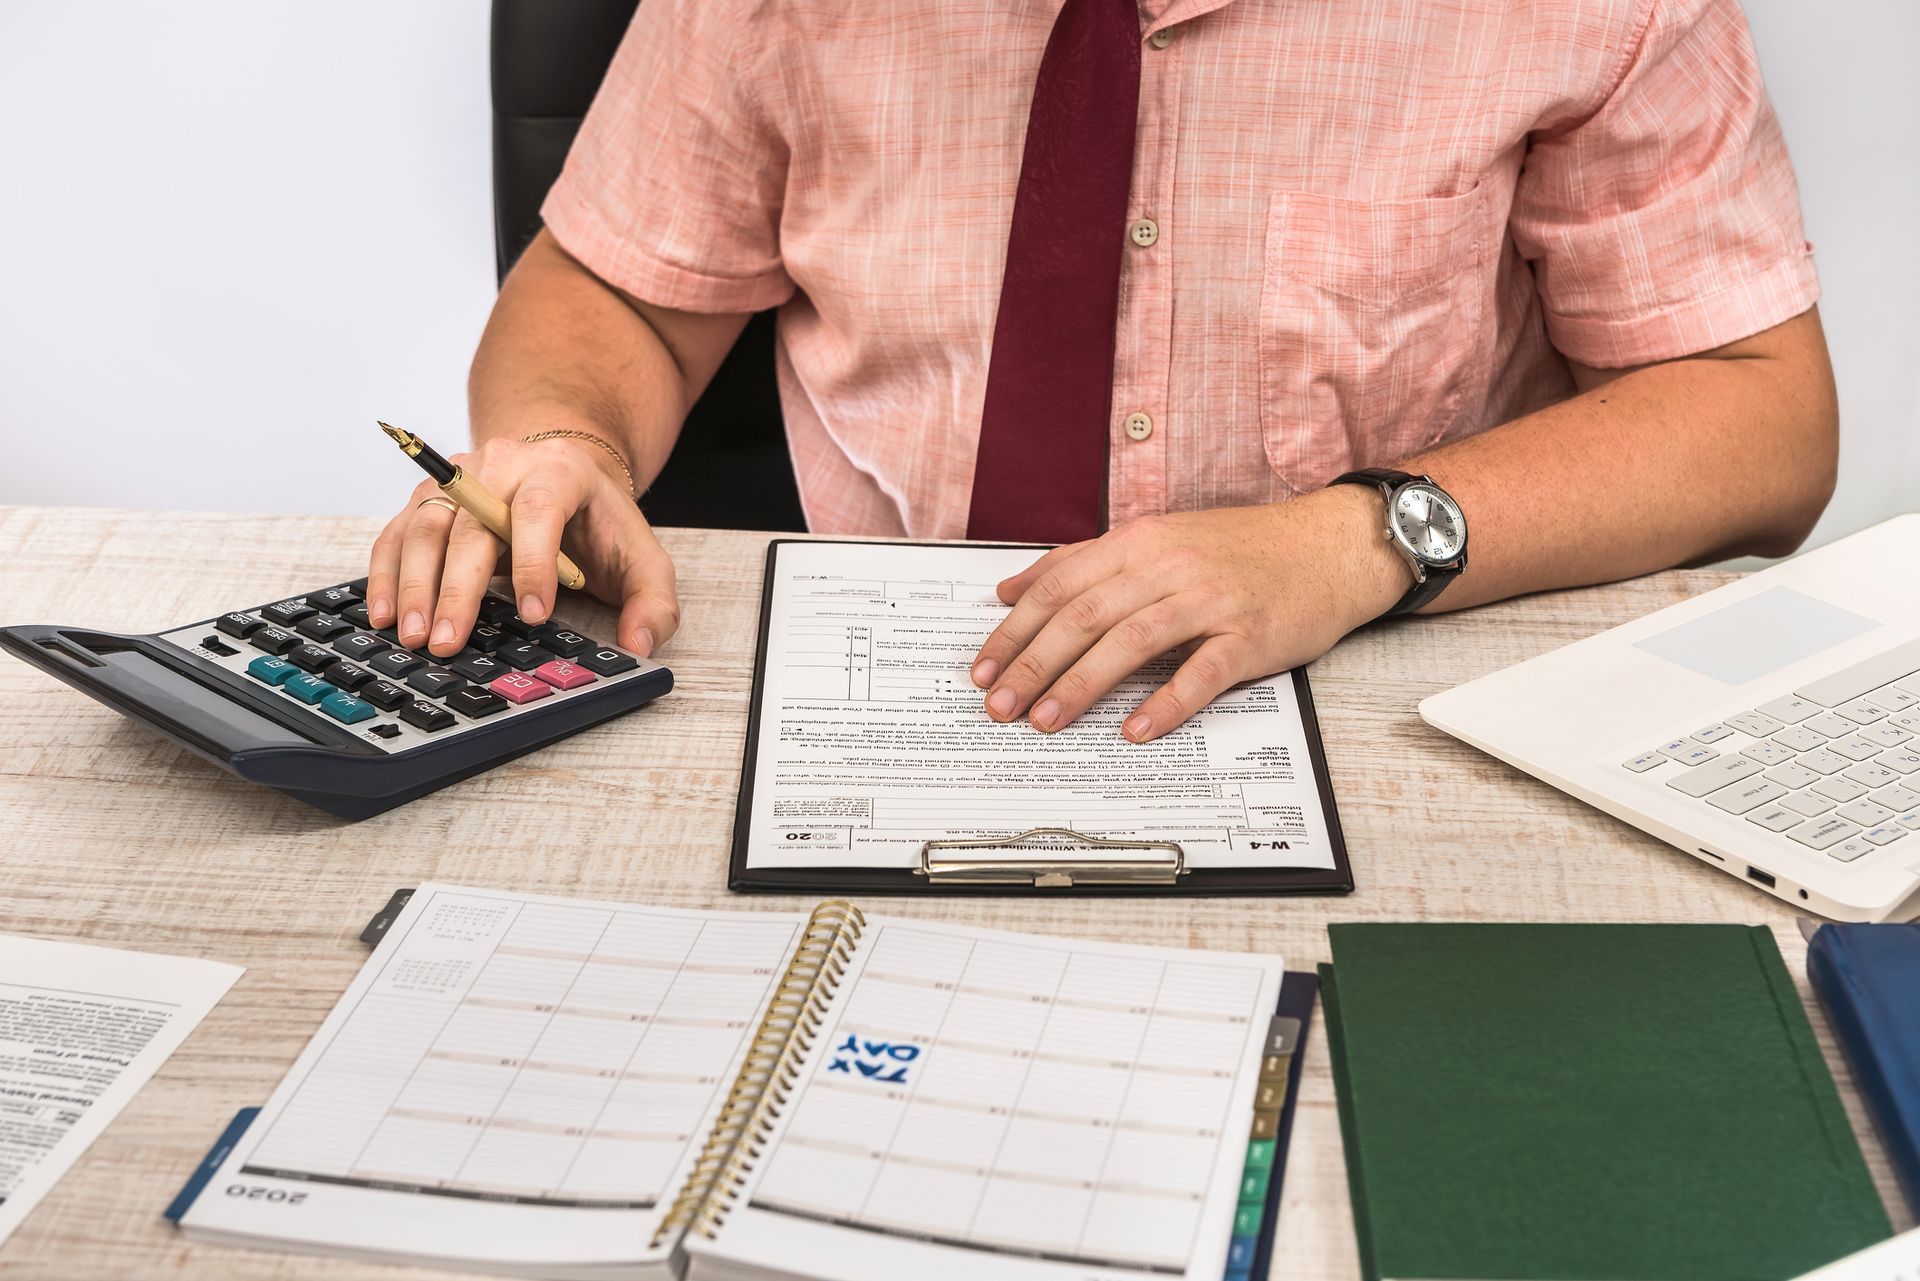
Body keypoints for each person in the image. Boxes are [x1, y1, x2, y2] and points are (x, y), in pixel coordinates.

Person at [367, 0, 1835, 744]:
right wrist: (566, 436)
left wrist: (1362, 534)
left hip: (1381, 686)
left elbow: (1760, 411)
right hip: (887, 683)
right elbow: (616, 282)